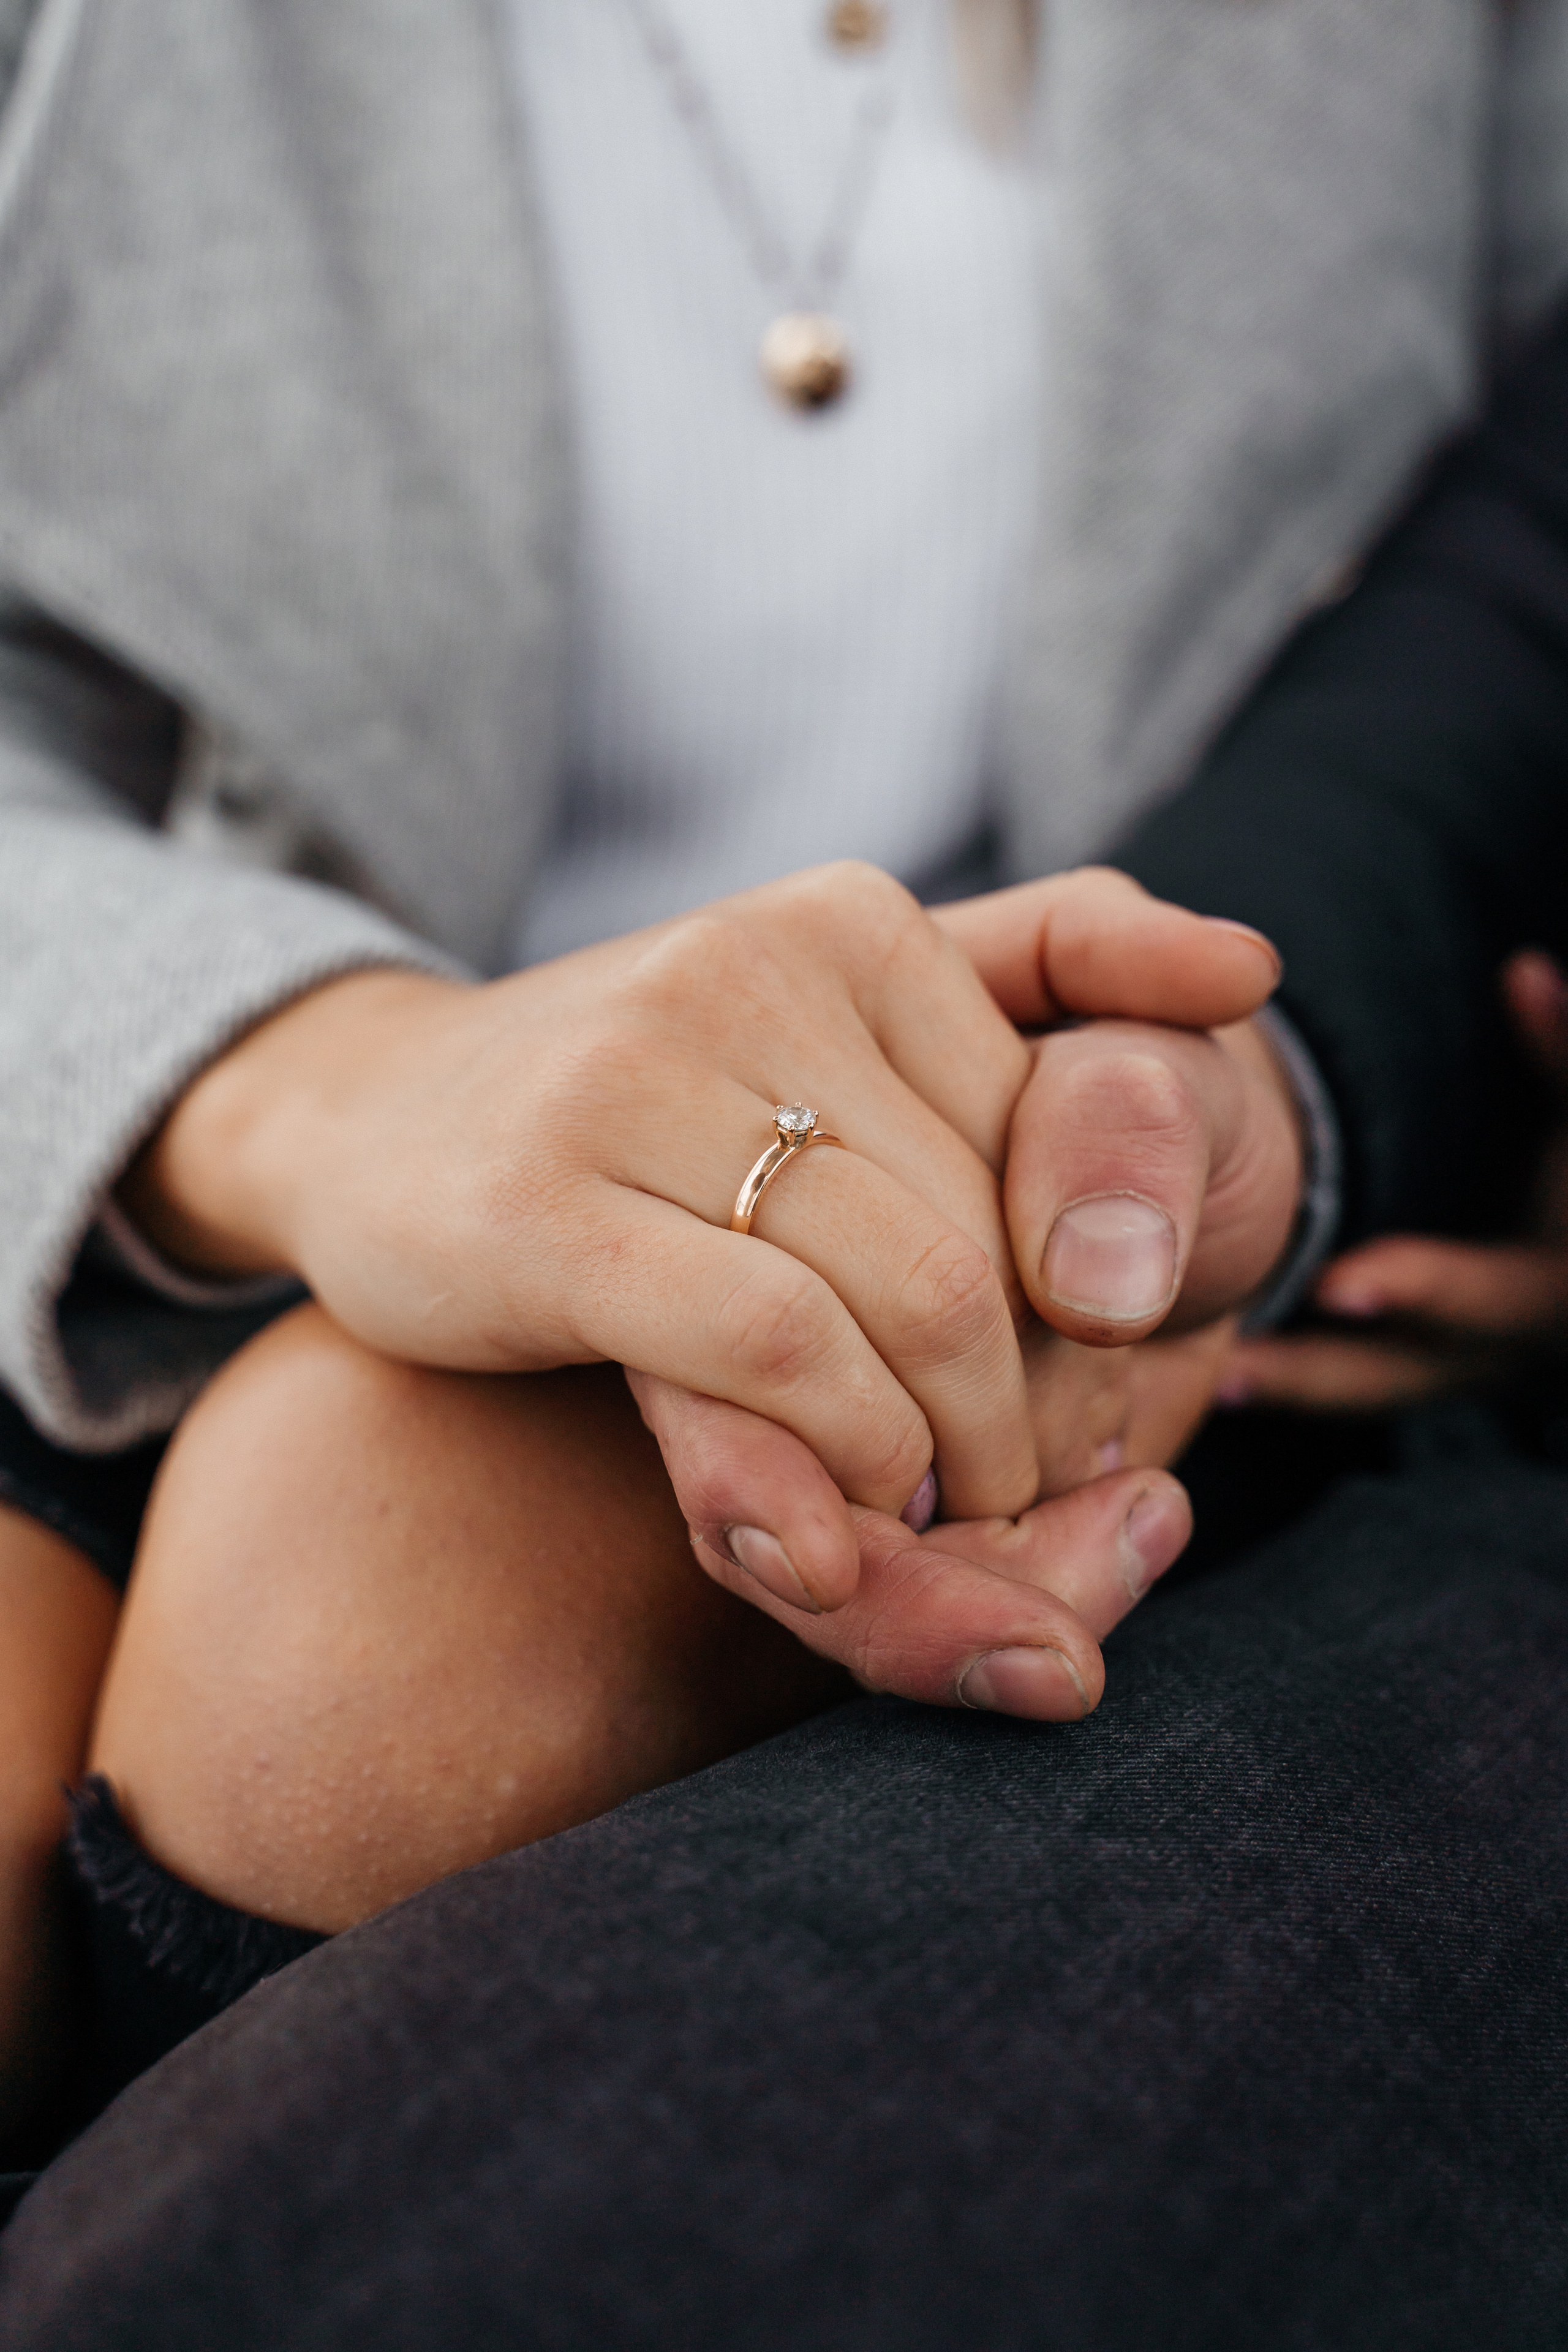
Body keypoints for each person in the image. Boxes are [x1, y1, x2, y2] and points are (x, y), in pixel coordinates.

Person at [1, 0, 1564, 2140]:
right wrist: (322, 1080)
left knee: (367, 1622)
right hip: (118, 1103)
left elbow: (1507, 598)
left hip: (1061, 1181)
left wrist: (1285, 1074)